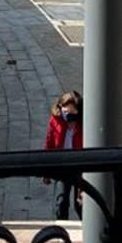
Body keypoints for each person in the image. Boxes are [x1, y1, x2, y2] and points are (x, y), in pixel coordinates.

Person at [42, 90, 83, 220]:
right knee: (61, 201)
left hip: (80, 167)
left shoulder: (83, 123)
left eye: (73, 113)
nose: (69, 116)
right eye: (66, 112)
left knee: (81, 204)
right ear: (61, 108)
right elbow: (49, 144)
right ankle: (61, 228)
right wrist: (46, 171)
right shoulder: (55, 121)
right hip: (63, 165)